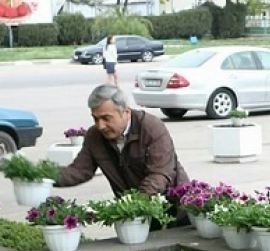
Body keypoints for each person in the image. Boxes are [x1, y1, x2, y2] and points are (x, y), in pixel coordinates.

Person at [56, 84, 190, 225]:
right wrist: (45, 176)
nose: (100, 125)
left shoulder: (151, 127)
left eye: (106, 118)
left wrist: (134, 204)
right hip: (133, 214)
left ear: (126, 112)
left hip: (175, 209)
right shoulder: (94, 136)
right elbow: (80, 170)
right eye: (95, 119)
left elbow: (160, 174)